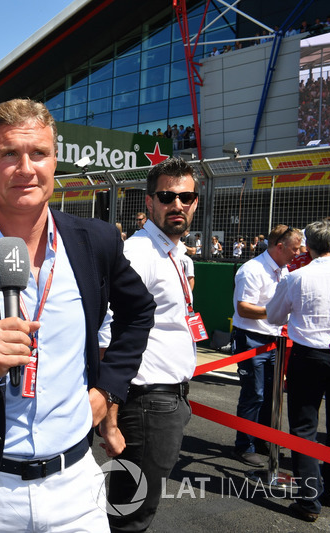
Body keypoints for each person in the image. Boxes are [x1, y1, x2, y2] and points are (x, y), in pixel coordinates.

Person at [0, 98, 155, 532]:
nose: (26, 168)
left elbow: (139, 312)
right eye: (9, 154)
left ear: (55, 161)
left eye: (39, 153)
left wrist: (109, 390)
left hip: (77, 486)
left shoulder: (95, 240)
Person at [102, 157, 200, 533]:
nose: (178, 204)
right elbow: (107, 332)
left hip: (166, 399)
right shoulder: (141, 253)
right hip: (146, 401)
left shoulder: (173, 251)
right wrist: (110, 416)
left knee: (135, 507)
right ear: (149, 202)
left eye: (186, 196)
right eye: (167, 196)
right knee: (131, 514)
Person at [266, 220, 330, 522]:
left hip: (308, 355)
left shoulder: (296, 277)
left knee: (304, 428)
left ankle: (309, 500)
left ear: (309, 246)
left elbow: (274, 315)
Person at [230, 224, 302, 468]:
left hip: (273, 340)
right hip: (252, 338)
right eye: (294, 248)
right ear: (280, 247)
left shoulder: (283, 270)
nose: (298, 253)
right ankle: (244, 445)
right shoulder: (252, 270)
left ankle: (262, 440)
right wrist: (275, 312)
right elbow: (243, 308)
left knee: (271, 394)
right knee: (254, 393)